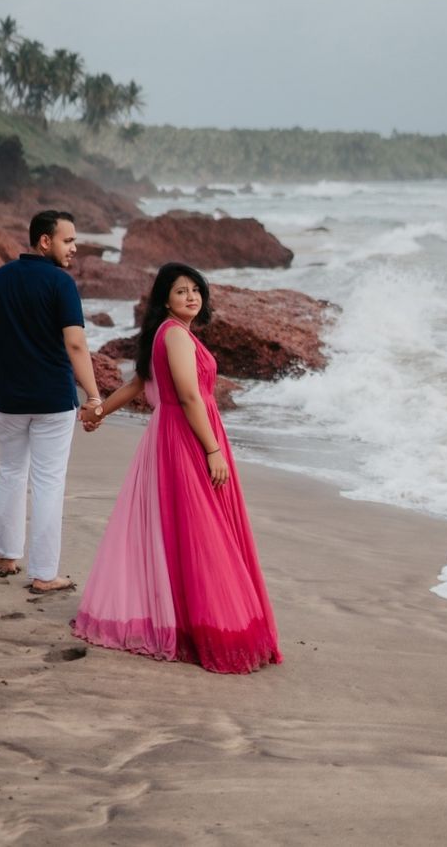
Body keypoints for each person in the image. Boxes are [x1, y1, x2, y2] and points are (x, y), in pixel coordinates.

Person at [71, 262, 282, 673]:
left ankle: (182, 616)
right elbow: (188, 396)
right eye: (181, 290)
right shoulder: (176, 337)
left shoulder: (164, 335)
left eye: (196, 290)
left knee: (183, 528)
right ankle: (208, 626)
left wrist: (99, 411)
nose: (191, 296)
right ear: (164, 298)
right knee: (202, 530)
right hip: (186, 435)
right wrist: (213, 449)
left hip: (171, 434)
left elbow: (137, 384)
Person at [0, 209, 103, 594]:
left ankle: (6, 555)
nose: (75, 248)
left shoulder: (0, 279)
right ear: (45, 241)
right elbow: (76, 343)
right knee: (48, 482)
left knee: (11, 473)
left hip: (11, 397)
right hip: (54, 400)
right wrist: (94, 394)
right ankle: (45, 574)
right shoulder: (60, 284)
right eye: (68, 240)